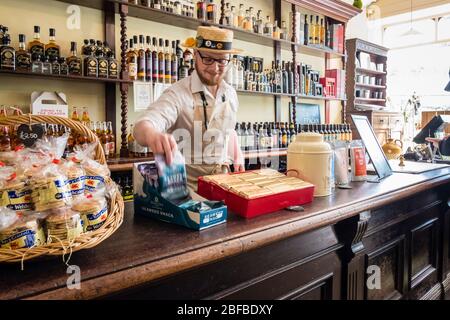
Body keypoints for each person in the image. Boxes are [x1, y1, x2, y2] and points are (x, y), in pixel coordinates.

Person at [134, 26, 245, 191]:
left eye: (222, 61)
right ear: (195, 56)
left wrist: (237, 154)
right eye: (208, 59)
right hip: (187, 191)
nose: (215, 69)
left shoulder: (230, 93)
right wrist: (152, 135)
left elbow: (229, 130)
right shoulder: (177, 93)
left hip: (224, 184)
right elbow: (143, 125)